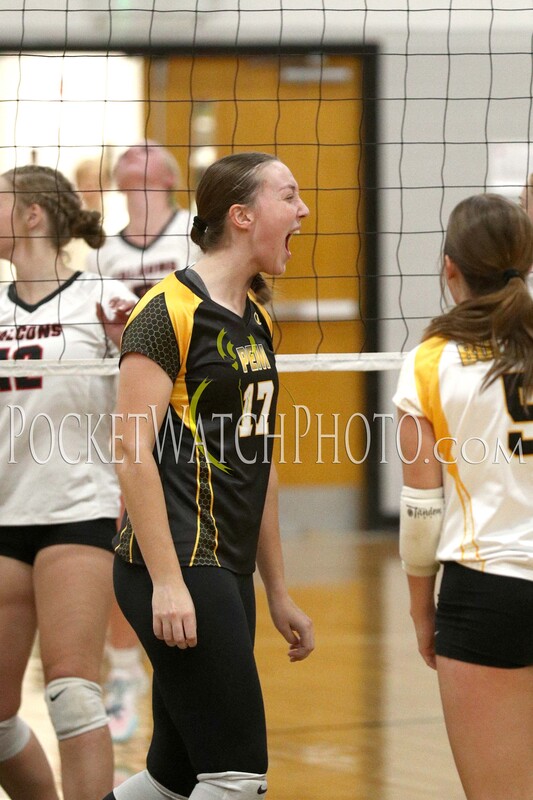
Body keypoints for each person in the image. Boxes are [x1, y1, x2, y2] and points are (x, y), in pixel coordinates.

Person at [101, 151, 315, 800]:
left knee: (175, 774)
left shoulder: (256, 319)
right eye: (289, 196)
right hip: (174, 562)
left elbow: (261, 460)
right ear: (243, 216)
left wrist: (276, 588)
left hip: (225, 565)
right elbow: (130, 449)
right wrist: (168, 583)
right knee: (237, 775)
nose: (303, 210)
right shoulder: (167, 310)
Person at [0, 164, 136, 800]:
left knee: (74, 693)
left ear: (32, 216)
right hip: (5, 513)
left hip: (78, 510)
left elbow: (153, 405)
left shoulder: (104, 301)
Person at [393, 193, 533, 800]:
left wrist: (422, 612)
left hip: (489, 591)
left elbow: (423, 512)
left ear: (449, 266)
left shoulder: (431, 362)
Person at [85, 140, 201, 743]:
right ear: (120, 177)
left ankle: (184, 672)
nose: (141, 150)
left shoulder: (192, 234)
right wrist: (114, 332)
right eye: (132, 151)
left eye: (153, 150)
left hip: (191, 418)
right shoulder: (101, 252)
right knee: (123, 542)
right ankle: (124, 669)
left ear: (170, 176)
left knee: (187, 548)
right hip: (126, 414)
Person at [86, 140, 200, 299]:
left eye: (146, 151)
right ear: (118, 182)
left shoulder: (196, 230)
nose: (132, 154)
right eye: (125, 155)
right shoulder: (101, 253)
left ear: (170, 177)